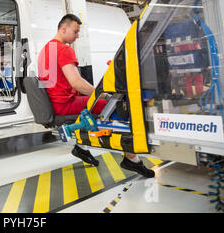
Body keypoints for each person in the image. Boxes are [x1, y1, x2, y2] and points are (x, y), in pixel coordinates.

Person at [38, 14, 154, 178]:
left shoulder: (45, 49)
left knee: (103, 103)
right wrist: (101, 92)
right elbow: (76, 83)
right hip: (66, 104)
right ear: (64, 28)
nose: (78, 36)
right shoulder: (64, 49)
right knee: (120, 107)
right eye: (76, 31)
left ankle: (81, 148)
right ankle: (132, 159)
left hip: (55, 102)